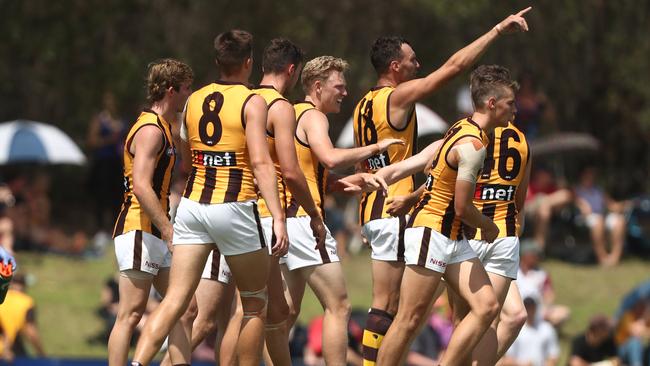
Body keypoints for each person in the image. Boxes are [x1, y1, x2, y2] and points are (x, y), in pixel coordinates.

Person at [354, 8, 532, 364]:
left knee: (486, 307)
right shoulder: (398, 100)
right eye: (411, 60)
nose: (417, 66)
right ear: (394, 67)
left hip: (413, 218)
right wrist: (496, 30)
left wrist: (392, 186)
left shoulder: (365, 105)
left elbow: (430, 170)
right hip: (429, 228)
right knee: (405, 318)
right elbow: (452, 69)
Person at [131, 30, 288, 366]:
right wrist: (278, 216)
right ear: (249, 63)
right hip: (235, 207)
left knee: (175, 300)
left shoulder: (194, 99)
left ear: (217, 62)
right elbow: (261, 162)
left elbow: (188, 161)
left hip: (192, 207)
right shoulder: (253, 100)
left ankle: (137, 363)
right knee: (254, 304)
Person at [282, 55, 401, 366]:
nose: (344, 92)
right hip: (305, 224)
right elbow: (330, 158)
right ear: (318, 87)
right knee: (339, 306)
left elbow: (311, 172)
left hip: (283, 221)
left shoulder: (290, 113)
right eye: (339, 86)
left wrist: (348, 182)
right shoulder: (314, 117)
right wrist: (376, 148)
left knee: (286, 312)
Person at [108, 58, 194, 366]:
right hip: (139, 229)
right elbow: (142, 187)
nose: (189, 95)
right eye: (186, 89)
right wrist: (169, 229)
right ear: (171, 91)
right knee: (130, 313)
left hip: (157, 230)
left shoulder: (166, 128)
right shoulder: (150, 130)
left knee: (185, 307)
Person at [253, 38, 325, 366]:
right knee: (254, 310)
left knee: (275, 310)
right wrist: (313, 213)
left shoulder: (242, 99)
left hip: (221, 206)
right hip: (262, 214)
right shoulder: (280, 107)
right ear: (292, 70)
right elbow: (292, 172)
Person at [449, 117, 531, 365]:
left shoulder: (465, 132)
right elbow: (520, 200)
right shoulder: (522, 141)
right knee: (489, 318)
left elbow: (444, 181)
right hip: (498, 234)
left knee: (483, 317)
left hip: (469, 234)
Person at [86, 91, 127, 232]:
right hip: (103, 163)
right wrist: (108, 140)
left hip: (118, 163)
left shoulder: (121, 120)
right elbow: (91, 141)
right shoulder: (99, 119)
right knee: (101, 196)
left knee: (118, 195)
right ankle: (100, 227)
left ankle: (116, 226)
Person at [574, 166, 628, 266]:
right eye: (587, 174)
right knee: (598, 221)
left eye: (591, 174)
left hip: (601, 216)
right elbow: (578, 205)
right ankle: (602, 258)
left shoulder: (598, 190)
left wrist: (627, 204)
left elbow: (612, 205)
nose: (590, 177)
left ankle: (614, 257)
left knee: (619, 221)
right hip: (584, 218)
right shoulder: (576, 190)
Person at [0, 273, 46, 362]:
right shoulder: (26, 302)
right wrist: (41, 354)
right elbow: (31, 331)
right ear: (24, 286)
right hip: (5, 349)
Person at [501, 297, 559, 366]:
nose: (530, 311)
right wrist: (522, 364)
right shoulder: (516, 329)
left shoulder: (547, 329)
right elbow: (507, 359)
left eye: (531, 308)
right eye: (527, 308)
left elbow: (553, 355)